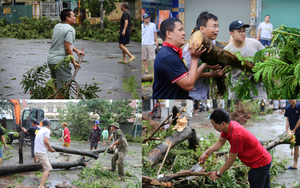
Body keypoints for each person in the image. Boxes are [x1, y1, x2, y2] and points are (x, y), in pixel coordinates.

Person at [199, 109, 272, 187]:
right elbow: (220, 143)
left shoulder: (236, 136)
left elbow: (231, 159)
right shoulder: (229, 126)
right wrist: (205, 153)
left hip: (260, 163)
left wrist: (218, 173)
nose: (214, 128)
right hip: (265, 159)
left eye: (215, 125)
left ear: (223, 124)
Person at [152, 17, 207, 99]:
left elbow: (188, 77)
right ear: (169, 34)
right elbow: (189, 85)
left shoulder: (172, 52)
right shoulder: (167, 56)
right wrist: (194, 59)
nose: (184, 33)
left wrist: (205, 65)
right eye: (180, 30)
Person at [182, 11, 226, 99]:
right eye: (214, 26)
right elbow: (187, 76)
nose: (217, 29)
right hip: (192, 93)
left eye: (217, 26)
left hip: (205, 92)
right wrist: (211, 74)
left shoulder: (213, 44)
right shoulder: (191, 48)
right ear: (202, 29)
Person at [225, 20, 267, 99]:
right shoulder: (227, 51)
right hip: (237, 86)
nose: (243, 33)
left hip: (257, 86)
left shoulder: (255, 43)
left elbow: (267, 57)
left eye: (244, 31)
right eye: (239, 31)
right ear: (231, 34)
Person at [47, 9, 85, 92]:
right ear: (67, 18)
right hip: (61, 63)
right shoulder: (70, 29)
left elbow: (66, 43)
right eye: (73, 16)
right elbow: (67, 47)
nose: (75, 17)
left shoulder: (57, 26)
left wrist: (77, 51)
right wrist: (74, 62)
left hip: (51, 61)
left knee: (56, 88)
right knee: (63, 90)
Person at [34, 119, 56, 188]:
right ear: (48, 124)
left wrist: (47, 147)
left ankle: (43, 180)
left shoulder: (41, 129)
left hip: (37, 151)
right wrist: (51, 148)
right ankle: (41, 186)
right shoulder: (47, 130)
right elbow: (46, 141)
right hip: (41, 152)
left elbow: (43, 140)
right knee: (48, 168)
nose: (50, 126)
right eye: (50, 124)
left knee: (45, 166)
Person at [284, 100, 300, 170]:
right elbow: (287, 120)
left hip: (297, 130)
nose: (289, 100)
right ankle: (295, 164)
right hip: (294, 132)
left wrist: (294, 129)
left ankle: (295, 164)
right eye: (289, 99)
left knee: (296, 147)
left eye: (291, 99)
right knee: (296, 147)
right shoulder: (287, 108)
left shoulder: (299, 106)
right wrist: (287, 130)